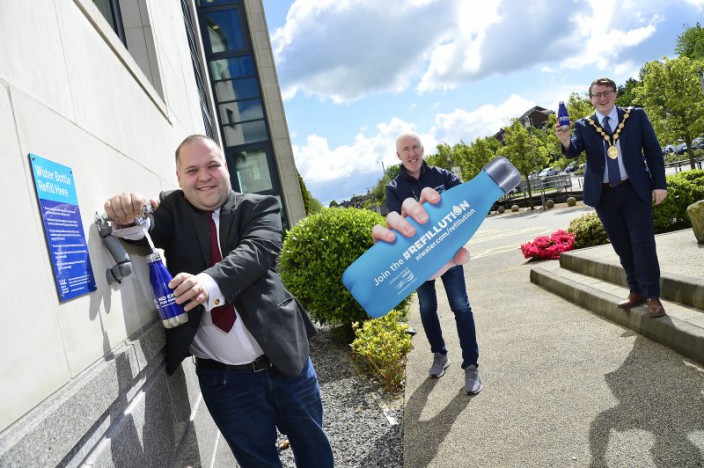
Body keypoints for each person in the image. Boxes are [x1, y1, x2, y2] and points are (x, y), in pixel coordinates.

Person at [104, 135, 334, 467]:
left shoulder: (259, 206)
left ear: (225, 167)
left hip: (286, 363)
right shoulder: (172, 208)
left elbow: (257, 251)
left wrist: (207, 284)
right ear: (180, 178)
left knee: (315, 454)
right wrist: (129, 215)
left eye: (212, 165)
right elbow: (146, 228)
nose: (205, 176)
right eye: (192, 170)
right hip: (225, 382)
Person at [555, 77, 668, 318]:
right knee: (622, 246)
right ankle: (636, 291)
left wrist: (659, 184)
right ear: (591, 99)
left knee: (643, 243)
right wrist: (565, 141)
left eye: (607, 93)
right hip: (604, 195)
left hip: (634, 190)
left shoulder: (635, 116)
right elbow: (573, 150)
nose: (602, 98)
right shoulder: (584, 125)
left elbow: (653, 151)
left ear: (616, 94)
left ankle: (652, 297)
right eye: (597, 95)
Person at [382, 132, 483, 395]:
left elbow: (466, 203)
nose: (412, 153)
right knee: (427, 309)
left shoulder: (443, 176)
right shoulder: (393, 188)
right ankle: (440, 354)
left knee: (461, 306)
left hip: (449, 255)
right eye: (406, 149)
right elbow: (393, 221)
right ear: (398, 155)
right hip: (419, 263)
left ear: (423, 149)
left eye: (415, 147)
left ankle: (471, 366)